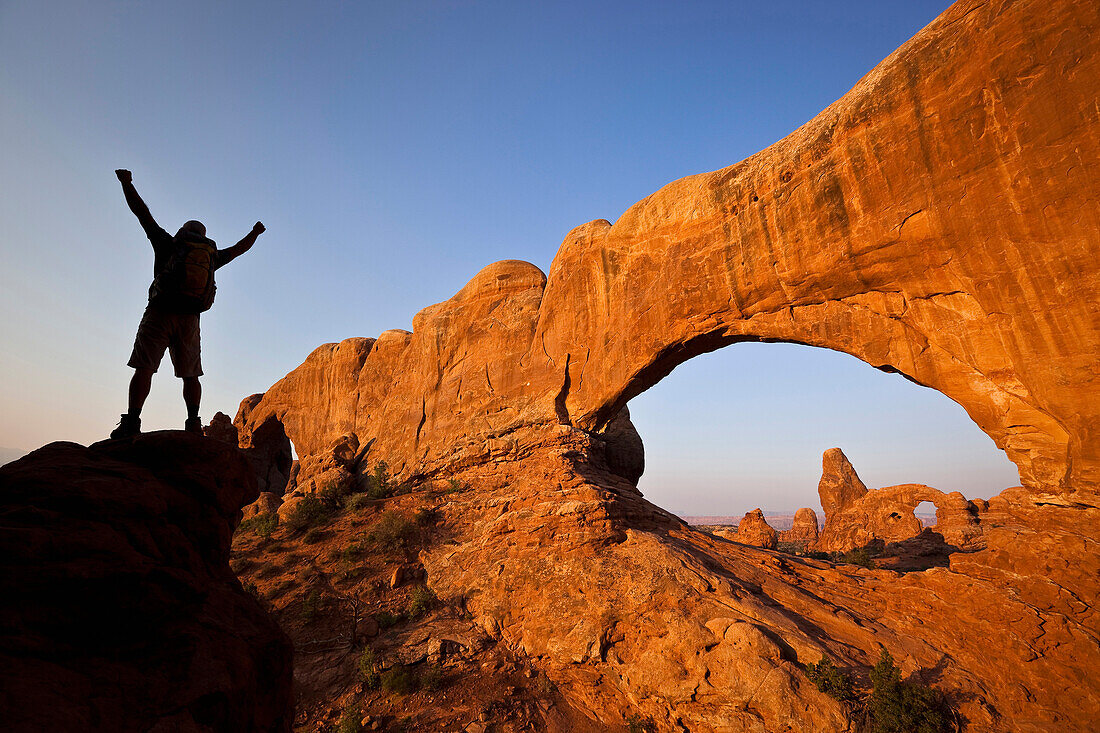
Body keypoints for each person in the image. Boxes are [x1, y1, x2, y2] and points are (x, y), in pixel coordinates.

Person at [110, 169, 265, 439]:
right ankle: (193, 422)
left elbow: (141, 213)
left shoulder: (167, 243)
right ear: (204, 237)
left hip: (160, 312)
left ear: (183, 231)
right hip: (190, 319)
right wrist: (256, 232)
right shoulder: (212, 256)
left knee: (144, 367)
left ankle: (131, 422)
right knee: (191, 374)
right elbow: (240, 249)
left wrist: (127, 183)